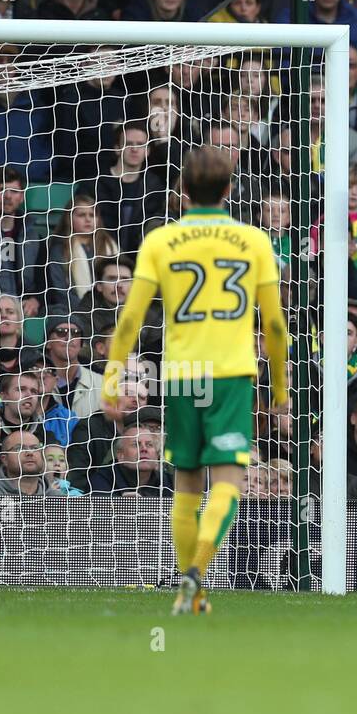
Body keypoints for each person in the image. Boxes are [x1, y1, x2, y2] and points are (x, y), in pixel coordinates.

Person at [103, 146, 287, 615]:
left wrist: (111, 380)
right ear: (229, 190)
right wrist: (281, 390)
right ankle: (198, 573)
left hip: (182, 373)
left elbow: (129, 320)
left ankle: (194, 593)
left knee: (185, 486)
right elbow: (276, 327)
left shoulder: (161, 241)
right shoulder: (255, 242)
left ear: (183, 191)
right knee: (226, 480)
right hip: (230, 374)